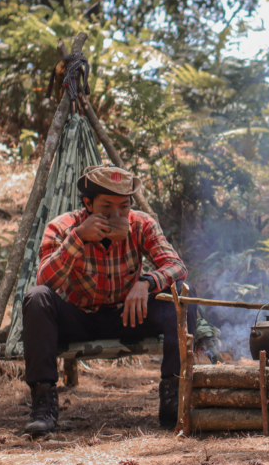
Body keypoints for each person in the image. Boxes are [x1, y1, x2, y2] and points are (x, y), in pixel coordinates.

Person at [22, 164, 194, 434]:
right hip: (77, 317)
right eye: (106, 208)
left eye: (123, 207)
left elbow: (176, 266)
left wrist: (146, 282)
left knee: (183, 293)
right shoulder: (62, 227)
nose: (117, 216)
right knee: (37, 298)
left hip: (127, 315)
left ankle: (174, 395)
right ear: (88, 204)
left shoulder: (140, 224)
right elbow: (44, 280)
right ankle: (43, 402)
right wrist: (78, 239)